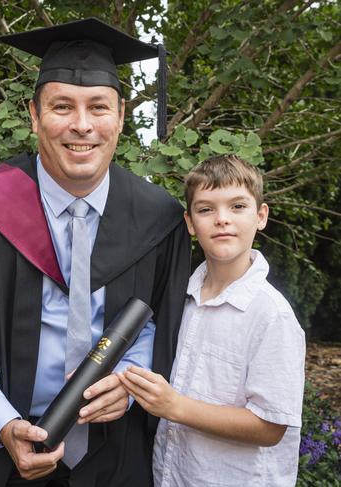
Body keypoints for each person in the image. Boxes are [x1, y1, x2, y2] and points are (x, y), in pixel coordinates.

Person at [0, 18, 191, 487]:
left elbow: (162, 322)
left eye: (98, 107)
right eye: (61, 107)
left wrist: (130, 385)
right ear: (33, 115)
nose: (82, 125)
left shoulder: (160, 219)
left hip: (116, 454)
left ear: (121, 115)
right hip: (1, 454)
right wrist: (2, 423)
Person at [118, 154, 306, 486]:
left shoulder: (271, 315)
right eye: (206, 209)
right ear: (190, 223)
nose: (222, 219)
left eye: (237, 207)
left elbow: (271, 426)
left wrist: (175, 406)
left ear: (261, 216)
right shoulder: (181, 299)